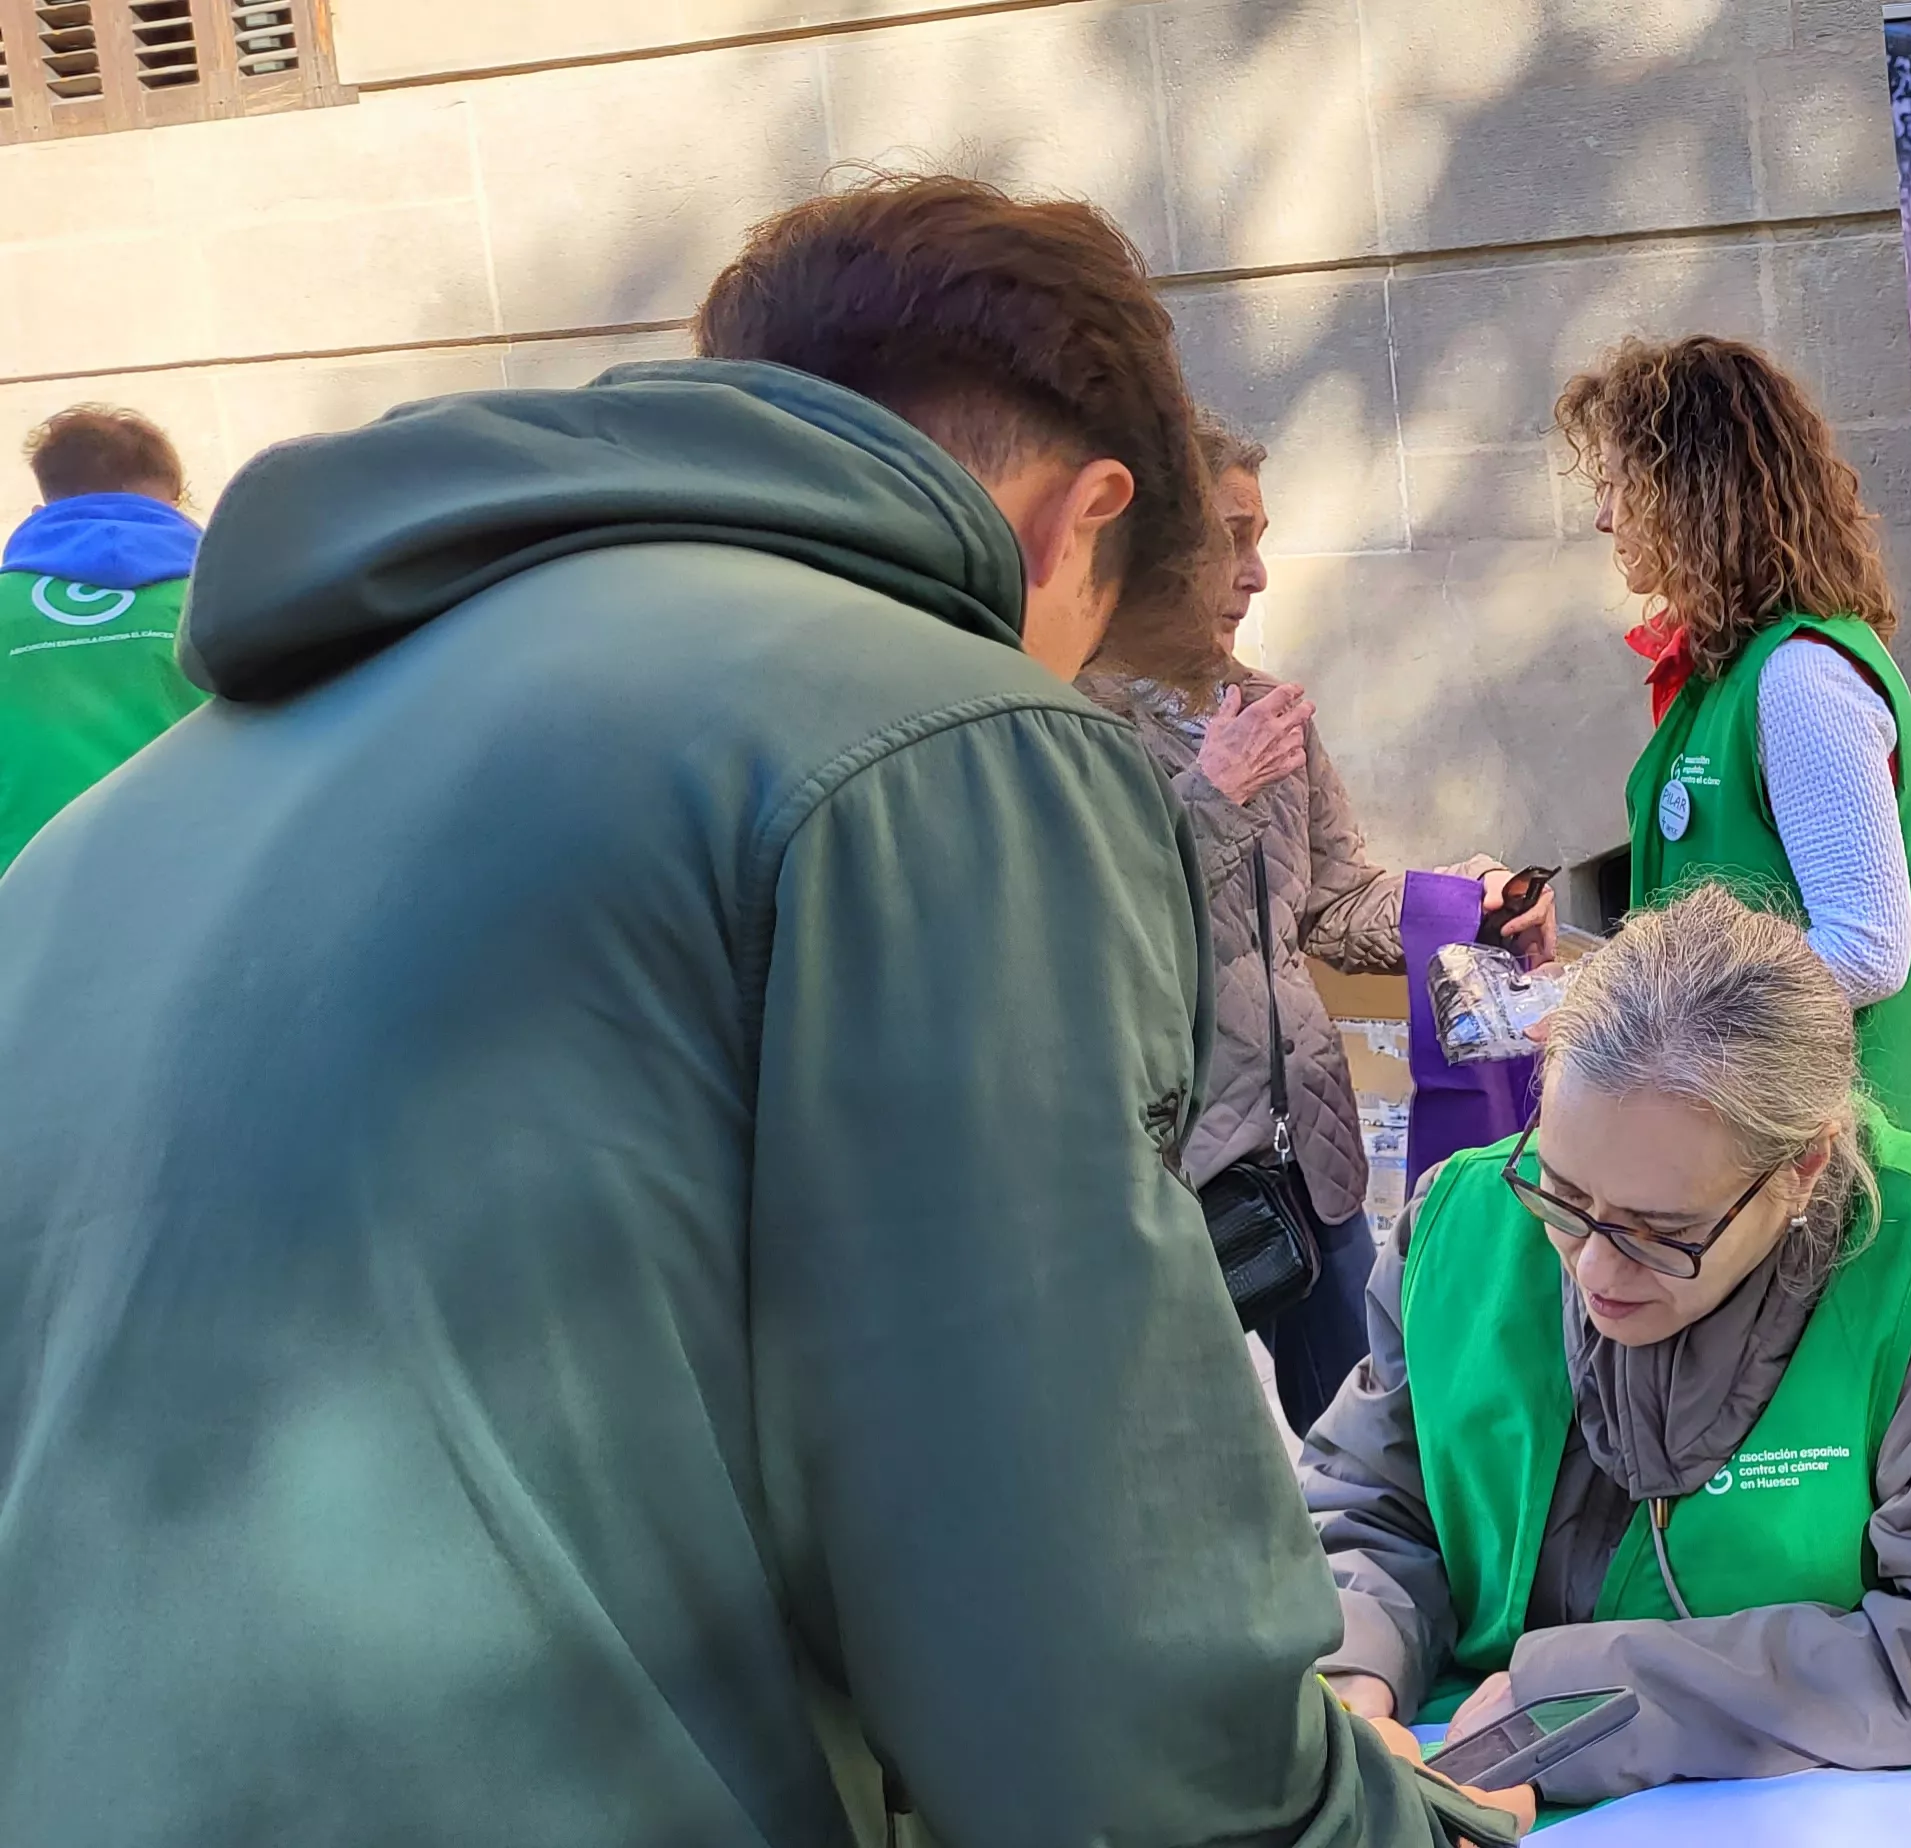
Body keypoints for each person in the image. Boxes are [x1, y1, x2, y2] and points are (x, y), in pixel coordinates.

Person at [0, 174, 1522, 1847]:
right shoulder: (948, 732)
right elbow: (1087, 1632)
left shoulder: (108, 832)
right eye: (1084, 655)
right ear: (1074, 520)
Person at [1300, 885, 1911, 1806]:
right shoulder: (1456, 1223)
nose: (1596, 1266)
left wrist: (1606, 1696)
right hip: (1446, 1761)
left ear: (1803, 1167)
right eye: (1562, 1193)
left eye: (1662, 1230)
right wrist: (1349, 1675)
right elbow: (1365, 1510)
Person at [1080, 417, 1547, 1434]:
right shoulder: (1067, 717)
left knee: (1373, 1439)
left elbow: (1335, 905)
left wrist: (1471, 898)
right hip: (1171, 1176)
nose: (1256, 575)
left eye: (1261, 538)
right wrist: (1209, 796)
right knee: (1186, 1461)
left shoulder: (1270, 707)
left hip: (1313, 1159)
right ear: (1152, 540)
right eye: (1230, 538)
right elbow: (1082, 924)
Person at [1557, 334, 1911, 1150]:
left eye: (1620, 486)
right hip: (1774, 1140)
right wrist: (1596, 974)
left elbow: (1866, 949)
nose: (1604, 518)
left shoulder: (1800, 677)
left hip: (1840, 1156)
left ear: (1692, 492)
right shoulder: (1741, 668)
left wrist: (1651, 1014)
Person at [3, 405, 208, 868]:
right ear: (173, 503)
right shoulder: (226, 596)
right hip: (203, 874)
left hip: (25, 882)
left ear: (43, 510)